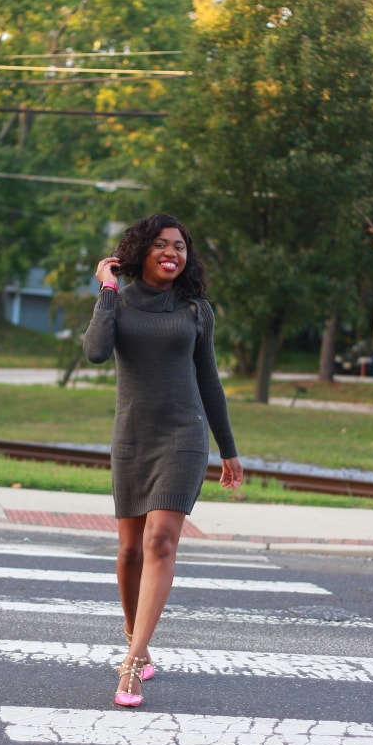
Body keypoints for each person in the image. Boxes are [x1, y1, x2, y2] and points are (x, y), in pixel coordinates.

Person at [83, 212, 243, 707]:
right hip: (132, 438)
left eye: (180, 246)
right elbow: (94, 351)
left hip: (183, 435)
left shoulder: (196, 309)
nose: (173, 253)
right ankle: (137, 639)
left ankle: (131, 663)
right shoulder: (119, 303)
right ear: (139, 252)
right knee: (130, 551)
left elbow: (209, 381)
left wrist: (228, 449)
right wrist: (107, 290)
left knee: (159, 540)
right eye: (161, 245)